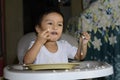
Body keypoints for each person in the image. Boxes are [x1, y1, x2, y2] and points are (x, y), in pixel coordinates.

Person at [23, 8, 90, 64]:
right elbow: (26, 62)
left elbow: (79, 56)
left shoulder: (64, 45)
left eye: (59, 24)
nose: (55, 27)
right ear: (38, 29)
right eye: (50, 23)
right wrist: (39, 42)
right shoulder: (35, 45)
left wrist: (83, 44)